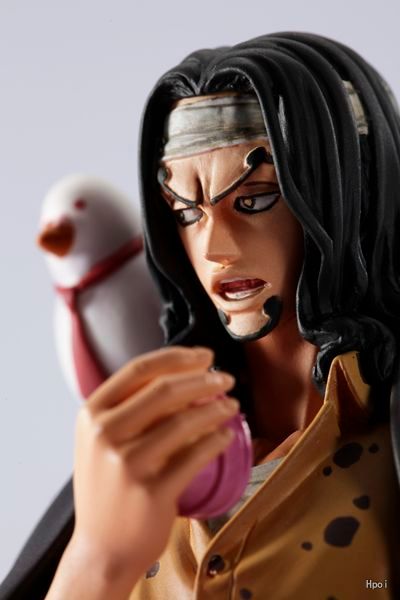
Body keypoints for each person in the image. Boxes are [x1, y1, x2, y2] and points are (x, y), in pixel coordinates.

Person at [1, 32, 400, 600]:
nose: (215, 249)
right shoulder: (144, 452)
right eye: (186, 213)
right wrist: (96, 561)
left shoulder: (385, 454)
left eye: (255, 200)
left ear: (348, 199)